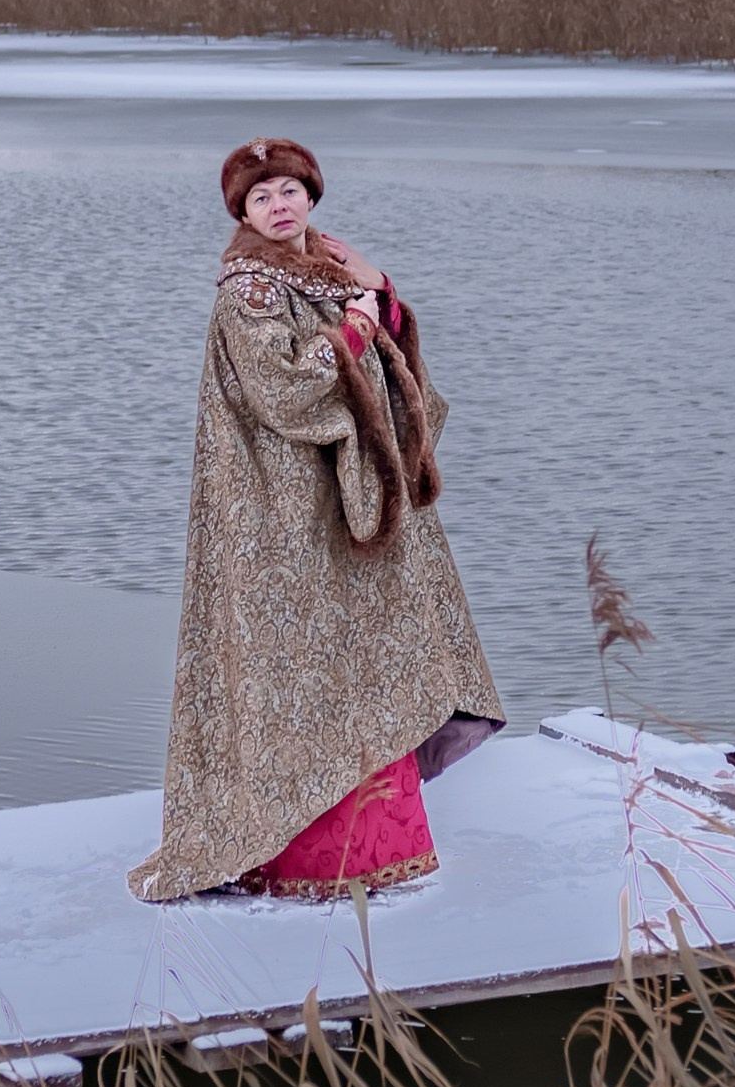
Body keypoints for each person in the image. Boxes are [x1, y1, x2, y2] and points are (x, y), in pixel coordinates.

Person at [130, 137, 504, 903]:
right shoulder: (249, 294)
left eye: (290, 191)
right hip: (282, 507)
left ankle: (380, 849)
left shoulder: (328, 273)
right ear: (241, 210)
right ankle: (298, 855)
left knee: (362, 645)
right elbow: (287, 392)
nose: (279, 206)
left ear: (311, 197)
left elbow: (397, 374)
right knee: (302, 654)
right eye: (261, 196)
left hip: (345, 499)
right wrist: (357, 332)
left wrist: (382, 294)